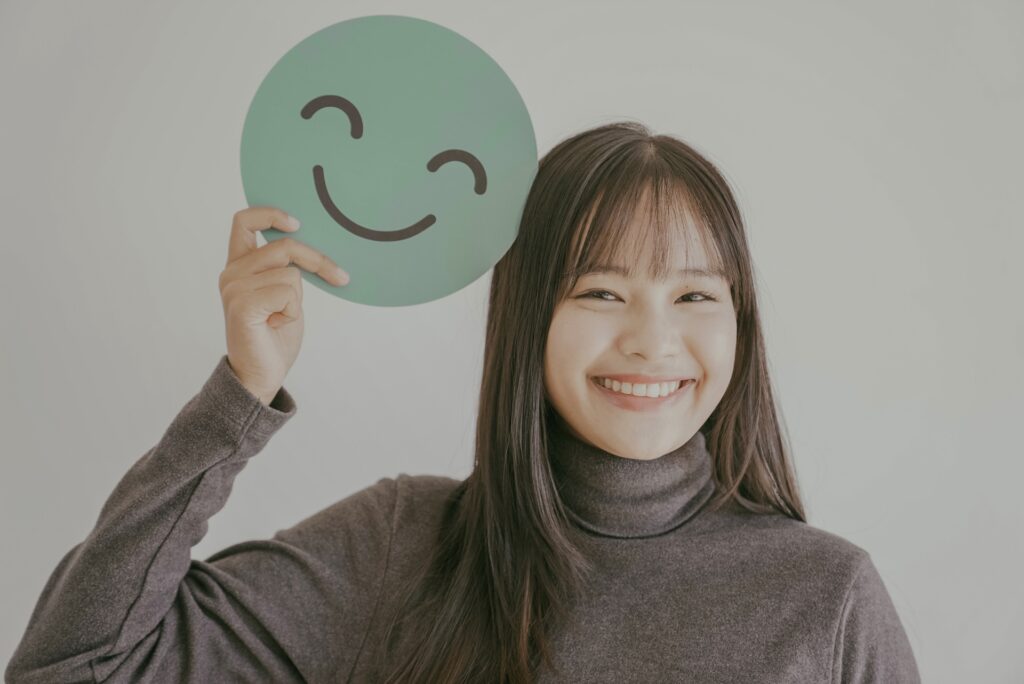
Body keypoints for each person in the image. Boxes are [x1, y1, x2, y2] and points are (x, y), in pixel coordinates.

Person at [5, 121, 921, 683]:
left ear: (740, 327)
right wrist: (240, 393)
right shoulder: (404, 544)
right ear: (527, 316)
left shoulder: (826, 597)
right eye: (600, 292)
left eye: (694, 296)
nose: (652, 341)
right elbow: (76, 668)